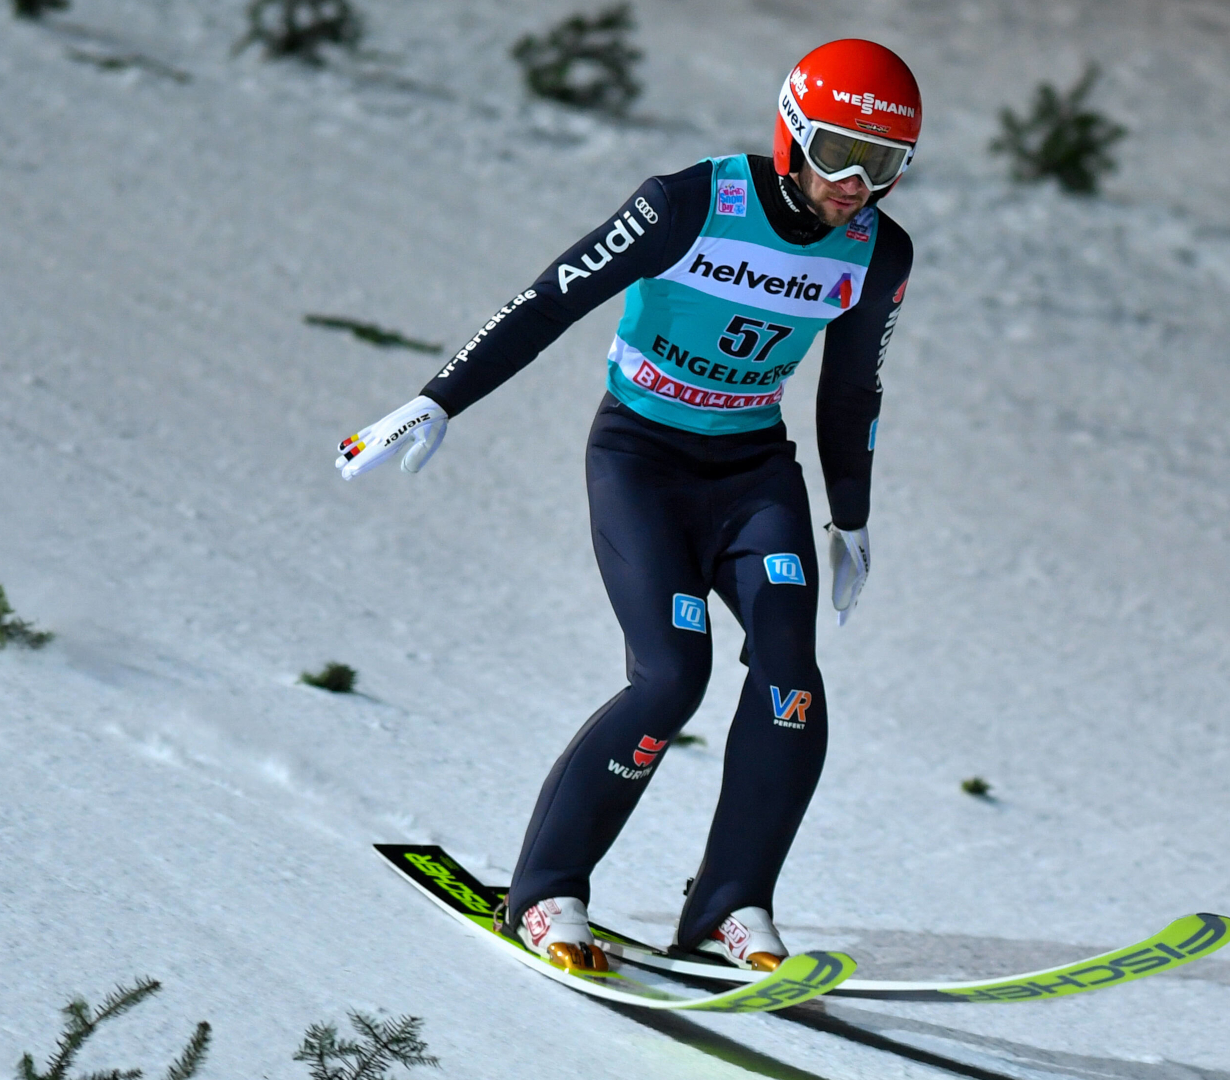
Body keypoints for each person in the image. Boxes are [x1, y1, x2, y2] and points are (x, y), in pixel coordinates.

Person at [335, 40, 920, 974]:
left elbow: (851, 393)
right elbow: (549, 299)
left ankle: (730, 906)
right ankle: (546, 891)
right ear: (791, 135)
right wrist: (439, 396)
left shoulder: (878, 251)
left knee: (791, 683)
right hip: (642, 462)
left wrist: (849, 515)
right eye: (838, 152)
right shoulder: (687, 202)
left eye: (881, 164)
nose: (855, 183)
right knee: (669, 677)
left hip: (754, 473)